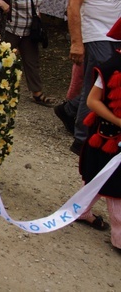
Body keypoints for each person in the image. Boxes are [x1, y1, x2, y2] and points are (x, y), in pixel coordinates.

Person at [53, 0, 121, 155]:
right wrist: (76, 42)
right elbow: (74, 4)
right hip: (97, 33)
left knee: (106, 84)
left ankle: (69, 110)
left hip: (116, 33)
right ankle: (82, 140)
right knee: (95, 83)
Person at [76, 19, 121, 251]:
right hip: (107, 139)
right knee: (114, 188)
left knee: (98, 182)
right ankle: (119, 239)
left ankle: (81, 210)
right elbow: (93, 101)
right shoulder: (110, 66)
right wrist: (118, 121)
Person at [5, 0, 54, 106]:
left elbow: (37, 0)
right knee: (5, 61)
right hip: (12, 27)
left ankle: (37, 93)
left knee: (32, 61)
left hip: (30, 28)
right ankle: (1, 92)